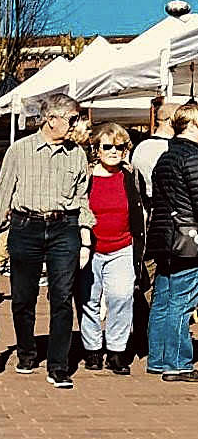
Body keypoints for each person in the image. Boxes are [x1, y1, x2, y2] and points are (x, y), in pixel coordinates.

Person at [0, 93, 95, 389]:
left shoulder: (77, 154)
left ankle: (59, 366)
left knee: (61, 297)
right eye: (72, 119)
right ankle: (27, 352)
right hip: (25, 226)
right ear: (51, 119)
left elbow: (82, 199)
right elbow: (2, 194)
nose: (76, 124)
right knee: (22, 297)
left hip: (64, 228)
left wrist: (84, 238)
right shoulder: (20, 150)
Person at [78, 123, 145, 375]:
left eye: (120, 146)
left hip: (122, 246)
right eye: (108, 146)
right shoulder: (85, 177)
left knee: (121, 296)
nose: (114, 151)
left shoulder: (129, 176)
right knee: (88, 299)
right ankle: (93, 349)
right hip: (90, 248)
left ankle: (117, 350)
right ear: (97, 149)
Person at [146, 103, 198, 381]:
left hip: (165, 236)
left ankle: (158, 358)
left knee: (163, 300)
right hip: (187, 240)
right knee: (182, 302)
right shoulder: (192, 157)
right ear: (191, 124)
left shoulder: (166, 156)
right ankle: (178, 362)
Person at [132, 99, 179, 208]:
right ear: (170, 121)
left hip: (145, 204)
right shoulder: (169, 148)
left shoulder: (139, 146)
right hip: (165, 206)